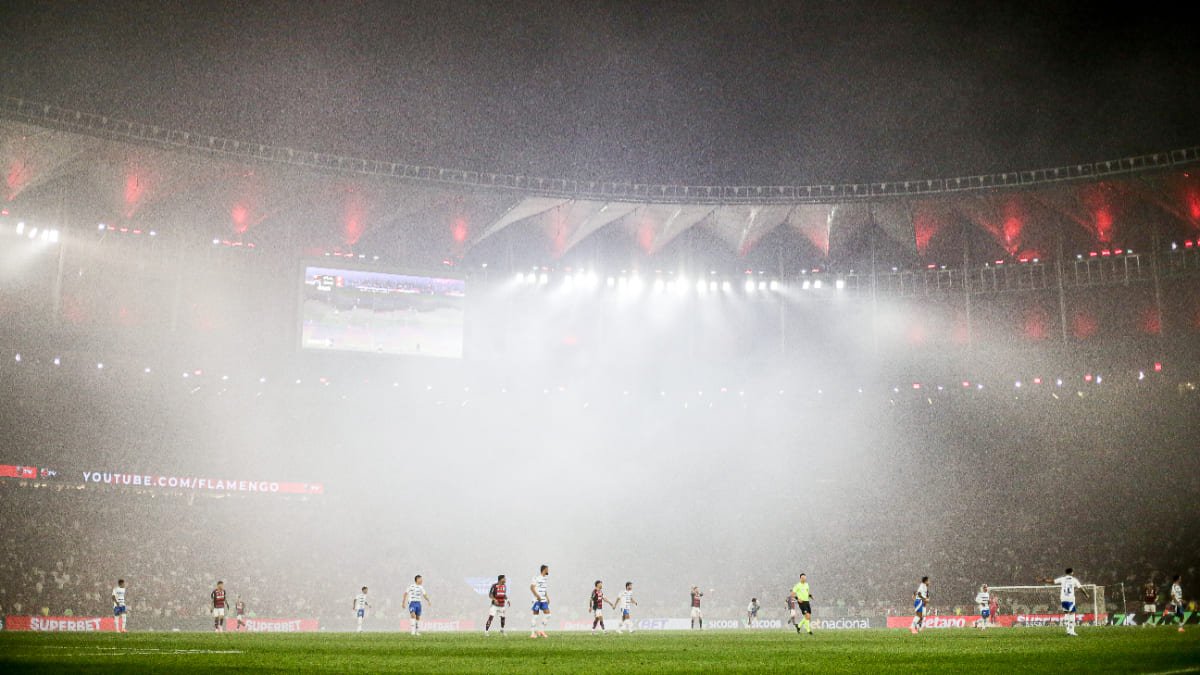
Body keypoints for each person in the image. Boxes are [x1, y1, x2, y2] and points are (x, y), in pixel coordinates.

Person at [1040, 568, 1087, 636]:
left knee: (1066, 613)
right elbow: (1080, 588)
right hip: (1070, 598)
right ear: (1072, 573)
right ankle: (1072, 631)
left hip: (1063, 598)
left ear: (1066, 573)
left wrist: (1044, 580)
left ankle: (1068, 630)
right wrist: (1086, 594)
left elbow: (1052, 581)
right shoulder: (1074, 580)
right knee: (1072, 613)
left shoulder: (1062, 579)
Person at [530, 564, 550, 638]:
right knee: (535, 616)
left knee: (548, 614)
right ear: (544, 569)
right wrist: (537, 596)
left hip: (543, 600)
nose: (548, 571)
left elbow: (544, 589)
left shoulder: (545, 578)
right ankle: (532, 633)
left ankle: (541, 630)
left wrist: (547, 597)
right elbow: (531, 588)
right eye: (547, 569)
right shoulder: (536, 578)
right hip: (537, 600)